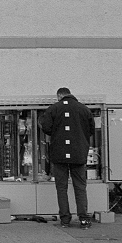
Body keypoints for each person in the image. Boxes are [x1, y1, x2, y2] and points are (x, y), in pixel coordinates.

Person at [39, 87, 95, 229]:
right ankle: (83, 219)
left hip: (59, 154)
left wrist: (58, 134)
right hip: (79, 154)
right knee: (80, 187)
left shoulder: (54, 109)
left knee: (61, 188)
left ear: (59, 96)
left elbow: (45, 127)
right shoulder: (84, 109)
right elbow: (91, 130)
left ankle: (65, 219)